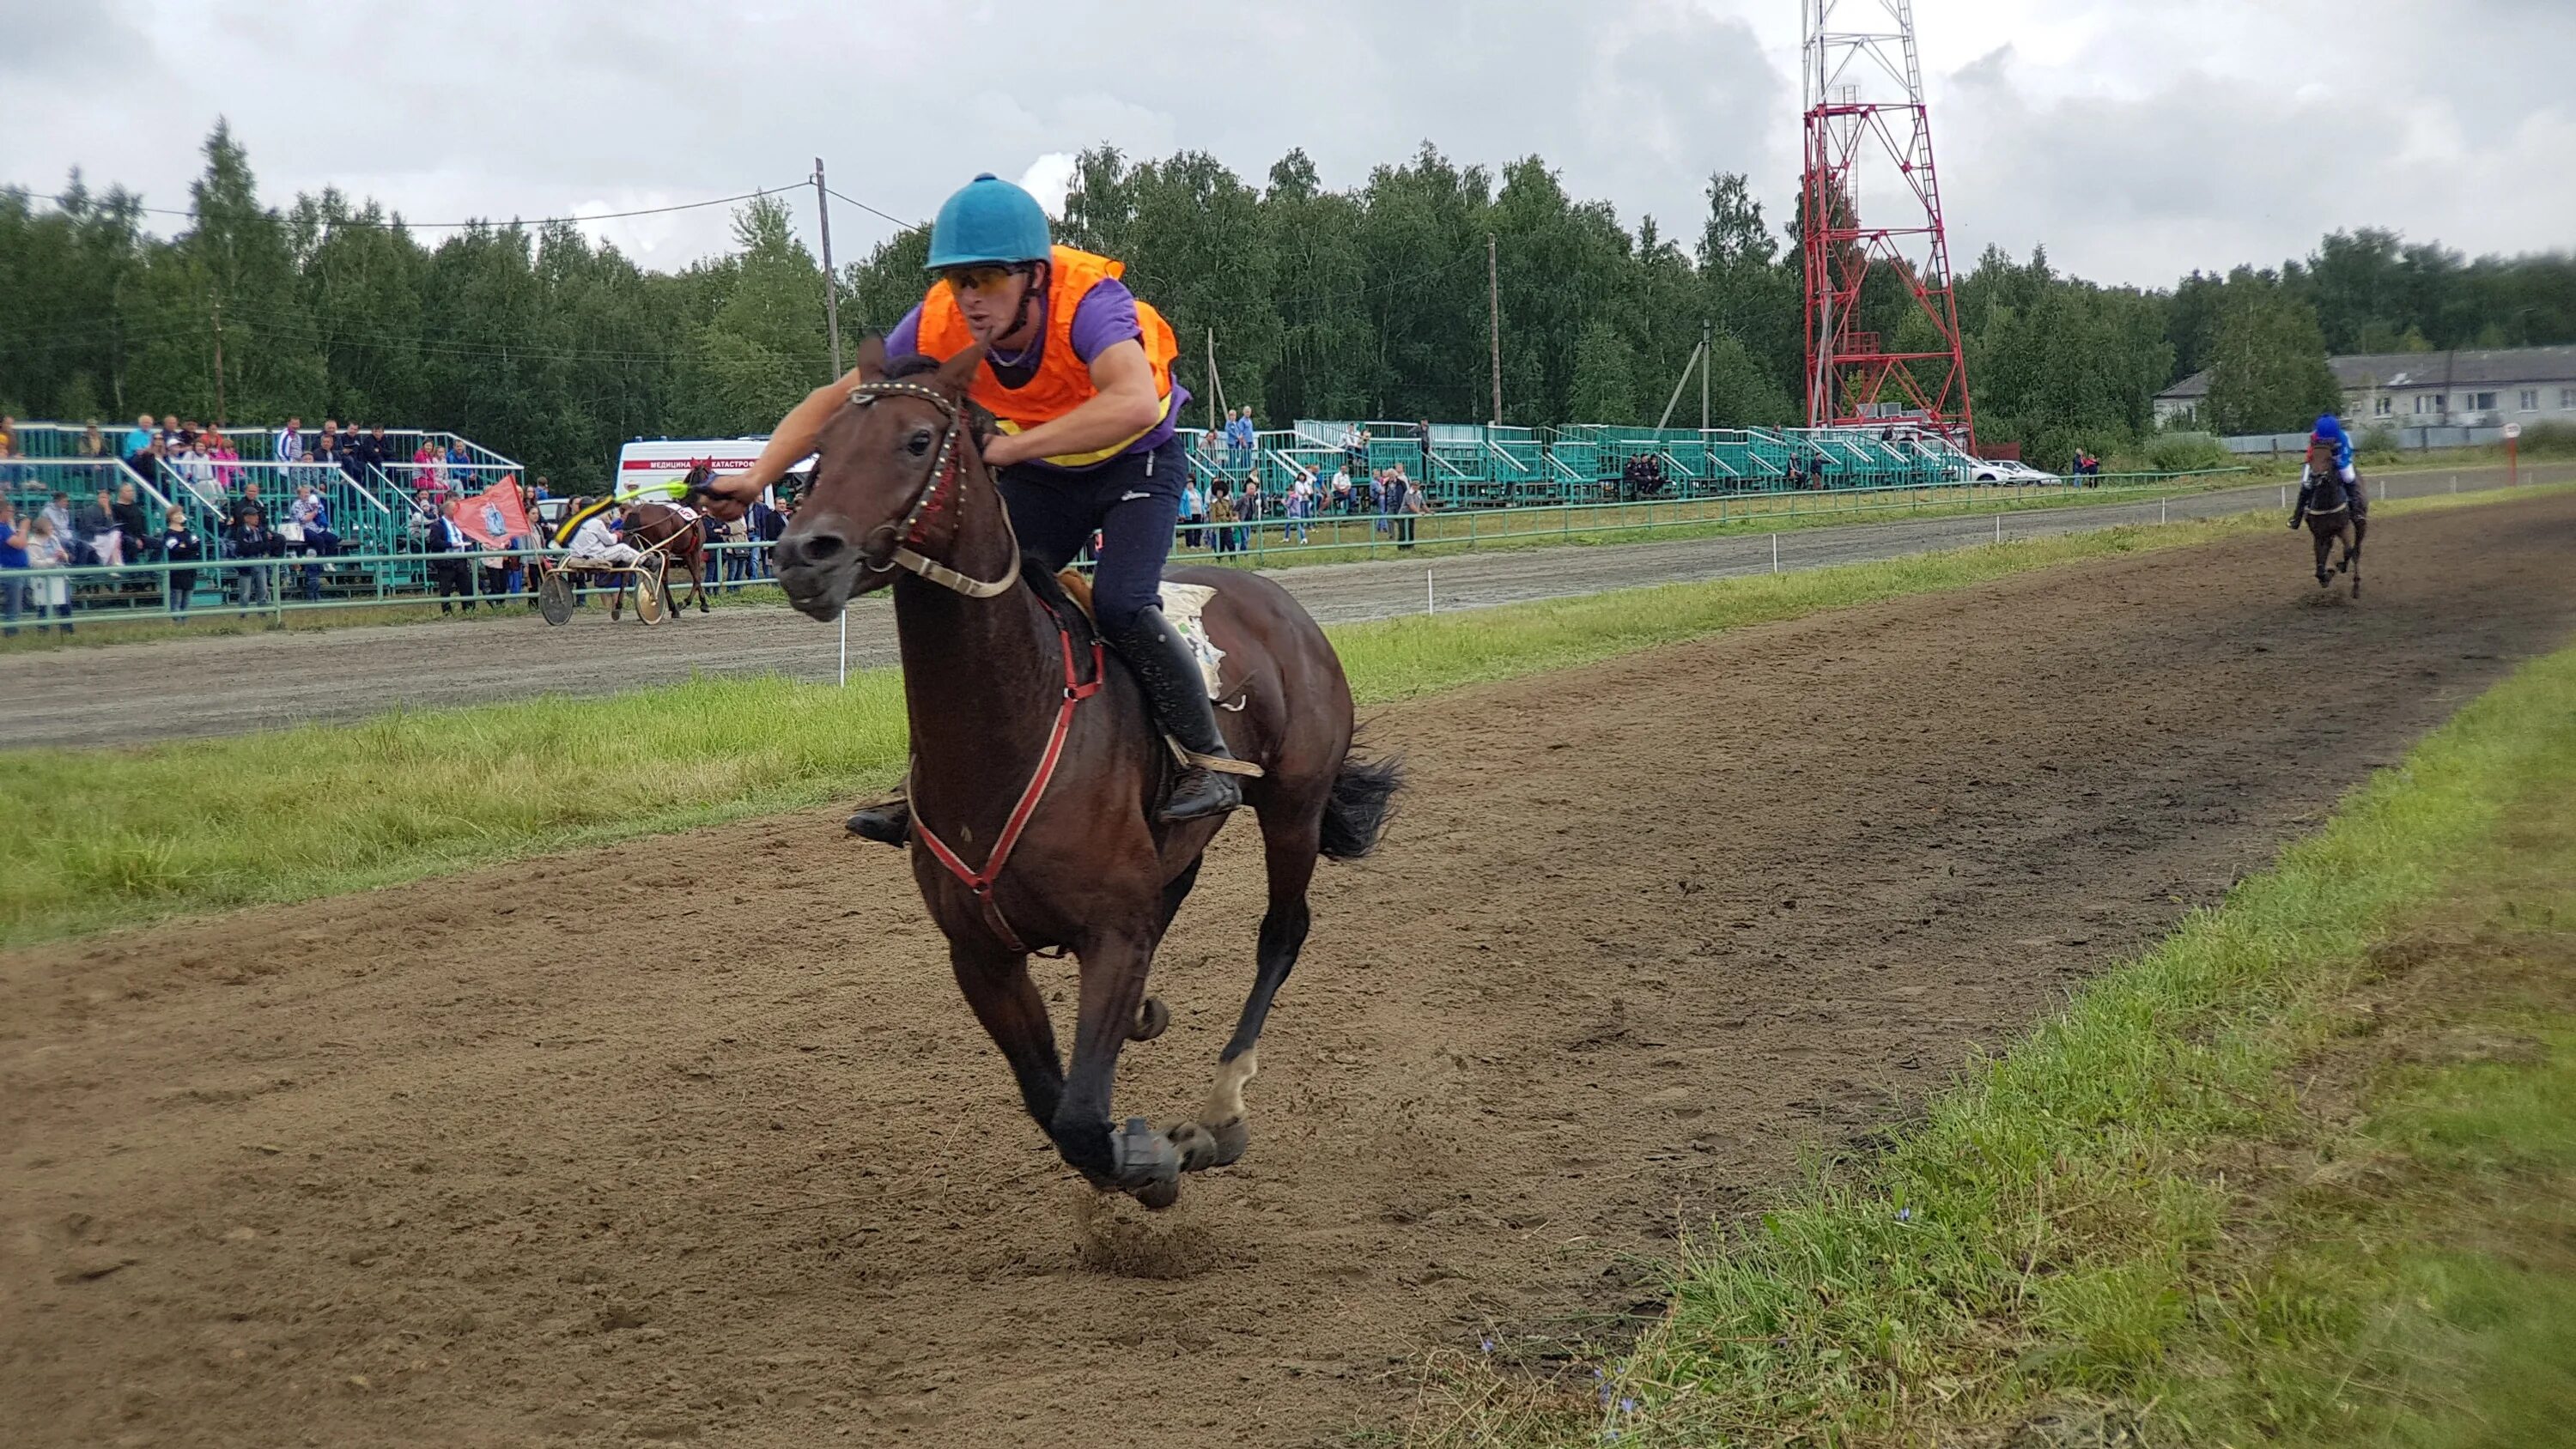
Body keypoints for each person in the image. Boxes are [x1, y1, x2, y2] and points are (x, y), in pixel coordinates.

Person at [710, 173, 1245, 842]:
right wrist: (757, 475)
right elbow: (837, 399)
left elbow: (1133, 402)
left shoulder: (1090, 303)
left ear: (1034, 277)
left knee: (1120, 604)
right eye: (960, 280)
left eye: (988, 279)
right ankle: (936, 781)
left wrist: (1016, 452)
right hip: (1049, 471)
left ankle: (1206, 758)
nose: (971, 298)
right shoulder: (936, 319)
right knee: (986, 605)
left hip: (1137, 461)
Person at [2290, 414, 2366, 528]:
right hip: (2319, 461)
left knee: (2349, 477)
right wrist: (2312, 463)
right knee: (2306, 483)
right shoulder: (2314, 437)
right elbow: (2311, 453)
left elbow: (2346, 453)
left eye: (2329, 440)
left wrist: (2336, 463)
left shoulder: (2343, 437)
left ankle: (2357, 511)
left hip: (2340, 460)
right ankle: (2297, 516)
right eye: (2323, 440)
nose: (2326, 441)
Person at [425, 499, 477, 612]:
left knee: (466, 586)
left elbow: (464, 538)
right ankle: (447, 612)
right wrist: (451, 544)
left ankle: (469, 609)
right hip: (446, 561)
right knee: (445, 589)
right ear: (447, 510)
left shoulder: (459, 524)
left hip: (461, 560)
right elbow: (435, 543)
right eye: (454, 509)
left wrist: (469, 549)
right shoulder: (437, 525)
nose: (457, 511)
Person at [226, 488, 275, 609]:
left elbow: (266, 546)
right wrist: (258, 546)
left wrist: (257, 548)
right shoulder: (241, 531)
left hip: (259, 561)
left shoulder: (261, 530)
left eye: (257, 515)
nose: (256, 518)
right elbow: (243, 548)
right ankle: (243, 612)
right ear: (246, 518)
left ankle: (262, 611)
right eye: (253, 516)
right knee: (245, 593)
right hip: (246, 563)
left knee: (263, 589)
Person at [287, 482, 337, 601]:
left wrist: (314, 512)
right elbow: (304, 519)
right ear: (299, 494)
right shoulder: (296, 505)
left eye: (308, 493)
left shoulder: (312, 502)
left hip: (315, 527)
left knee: (333, 538)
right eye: (304, 493)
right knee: (318, 540)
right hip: (302, 529)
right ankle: (321, 560)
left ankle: (327, 560)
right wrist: (314, 512)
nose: (306, 495)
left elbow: (320, 513)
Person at [24, 515, 72, 631]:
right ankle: (43, 630)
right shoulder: (32, 543)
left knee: (66, 604)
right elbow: (34, 563)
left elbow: (63, 554)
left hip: (59, 575)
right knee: (43, 606)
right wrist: (53, 560)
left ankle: (67, 630)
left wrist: (63, 556)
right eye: (49, 526)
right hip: (42, 578)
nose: (52, 528)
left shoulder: (54, 539)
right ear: (42, 527)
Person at [159, 506, 205, 621]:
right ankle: (177, 626)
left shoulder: (188, 532)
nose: (180, 515)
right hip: (177, 572)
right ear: (170, 517)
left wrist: (185, 546)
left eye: (181, 513)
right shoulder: (168, 534)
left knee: (187, 603)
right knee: (176, 602)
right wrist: (188, 547)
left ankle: (184, 625)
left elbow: (197, 546)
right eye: (176, 514)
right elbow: (176, 549)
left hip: (190, 571)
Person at [76, 488, 125, 568]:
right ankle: (114, 562)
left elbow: (110, 526)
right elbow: (89, 527)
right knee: (114, 538)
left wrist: (107, 511)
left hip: (106, 536)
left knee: (116, 534)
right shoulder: (89, 510)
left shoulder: (109, 509)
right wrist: (103, 529)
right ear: (98, 498)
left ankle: (112, 563)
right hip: (93, 537)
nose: (104, 500)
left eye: (106, 498)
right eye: (102, 497)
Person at [0, 500, 28, 636]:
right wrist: (23, 529)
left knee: (16, 604)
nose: (12, 515)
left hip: (15, 570)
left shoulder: (6, 527)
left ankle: (12, 630)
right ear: (4, 512)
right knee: (14, 605)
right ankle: (11, 632)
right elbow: (20, 544)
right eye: (10, 512)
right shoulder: (1, 528)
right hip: (10, 570)